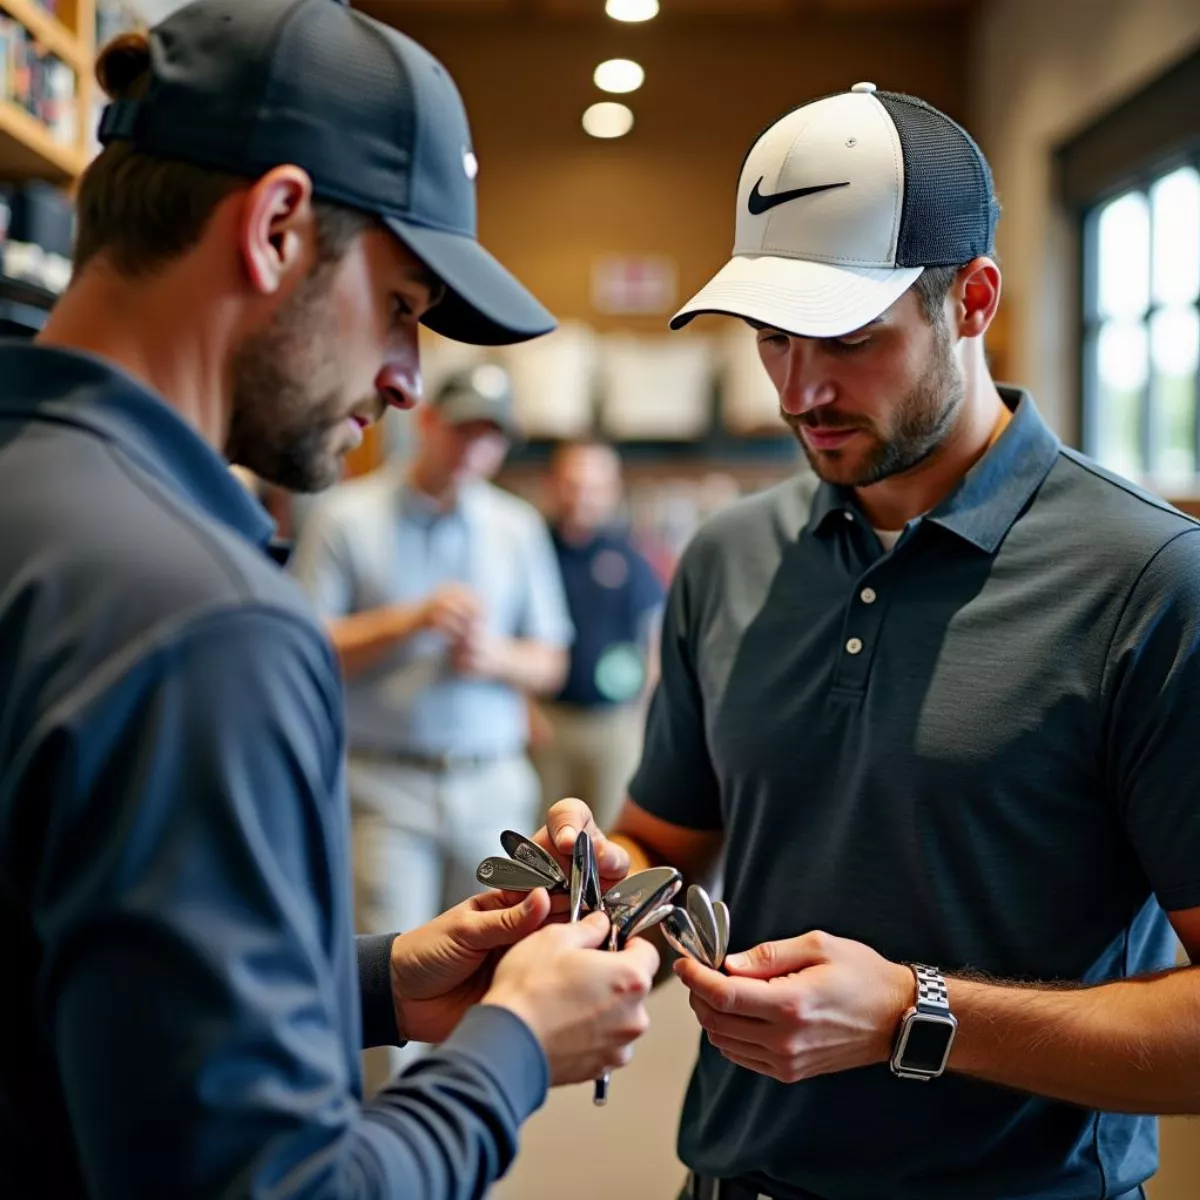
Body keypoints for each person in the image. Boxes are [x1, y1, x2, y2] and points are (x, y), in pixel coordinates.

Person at [0, 3, 658, 1197]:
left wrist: (372, 978)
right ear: (276, 227)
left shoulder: (41, 502)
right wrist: (515, 1045)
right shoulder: (201, 617)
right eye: (403, 306)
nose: (408, 380)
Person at [541, 83, 1200, 1200]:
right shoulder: (728, 559)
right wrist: (602, 891)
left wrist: (912, 1012)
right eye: (770, 340)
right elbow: (669, 842)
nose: (801, 391)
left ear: (973, 299)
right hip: (733, 1179)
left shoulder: (1148, 581)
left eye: (847, 338)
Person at [290, 367, 572, 999]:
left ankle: (468, 1098)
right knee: (391, 979)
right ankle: (386, 1104)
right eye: (463, 429)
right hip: (383, 788)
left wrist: (497, 656)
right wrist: (406, 622)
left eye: (491, 436)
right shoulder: (346, 516)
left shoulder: (517, 526)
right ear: (427, 424)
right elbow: (302, 647)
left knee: (492, 977)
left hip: (490, 786)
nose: (476, 448)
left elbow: (552, 660)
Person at [533, 439, 665, 829]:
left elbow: (653, 640)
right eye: (573, 484)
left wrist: (640, 716)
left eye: (594, 487)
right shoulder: (533, 551)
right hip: (547, 722)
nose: (582, 497)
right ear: (552, 484)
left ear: (613, 491)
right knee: (543, 841)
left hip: (614, 725)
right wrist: (523, 710)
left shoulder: (633, 558)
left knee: (609, 839)